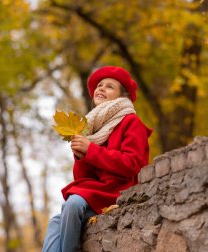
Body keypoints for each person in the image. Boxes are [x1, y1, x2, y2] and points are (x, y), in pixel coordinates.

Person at [42, 66, 152, 252]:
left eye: (109, 86)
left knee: (73, 203)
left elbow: (131, 164)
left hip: (119, 191)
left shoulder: (131, 122)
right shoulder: (93, 127)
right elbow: (82, 179)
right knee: (55, 222)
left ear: (121, 97)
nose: (101, 88)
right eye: (99, 85)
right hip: (97, 193)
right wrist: (81, 157)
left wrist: (91, 150)